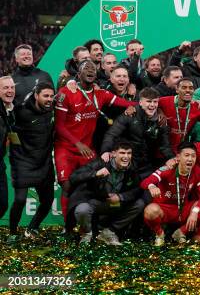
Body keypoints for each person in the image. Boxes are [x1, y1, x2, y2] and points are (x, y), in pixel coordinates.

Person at [54, 60, 136, 220]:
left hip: (87, 149)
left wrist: (155, 107)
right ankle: (68, 226)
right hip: (66, 148)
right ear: (79, 74)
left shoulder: (101, 94)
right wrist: (77, 143)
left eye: (93, 68)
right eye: (86, 68)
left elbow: (128, 103)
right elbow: (59, 126)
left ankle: (88, 223)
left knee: (93, 183)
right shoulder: (66, 93)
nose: (91, 70)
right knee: (67, 185)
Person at [69, 141, 145, 245]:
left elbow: (138, 189)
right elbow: (73, 177)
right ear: (113, 154)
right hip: (97, 203)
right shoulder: (100, 163)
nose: (126, 157)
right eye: (122, 153)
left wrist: (120, 196)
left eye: (129, 153)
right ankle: (87, 233)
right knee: (82, 209)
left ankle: (109, 232)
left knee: (139, 204)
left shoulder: (133, 167)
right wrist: (95, 173)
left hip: (116, 203)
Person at [7, 83, 55, 242]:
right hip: (23, 161)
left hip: (44, 162)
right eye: (45, 96)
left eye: (51, 96)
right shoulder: (21, 112)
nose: (49, 99)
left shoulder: (53, 110)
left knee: (47, 201)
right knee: (20, 200)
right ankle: (13, 233)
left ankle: (32, 228)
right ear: (36, 96)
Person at [141, 141, 200, 246]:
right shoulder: (168, 169)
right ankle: (160, 234)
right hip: (165, 209)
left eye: (193, 156)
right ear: (178, 157)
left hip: (183, 209)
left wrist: (195, 211)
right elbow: (144, 182)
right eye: (186, 155)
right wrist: (151, 186)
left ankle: (181, 232)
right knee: (150, 210)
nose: (190, 159)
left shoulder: (197, 171)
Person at [101, 87, 175, 180]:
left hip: (148, 163)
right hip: (128, 160)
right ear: (140, 102)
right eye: (148, 101)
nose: (152, 105)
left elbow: (165, 145)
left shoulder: (161, 120)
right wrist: (106, 150)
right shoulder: (129, 115)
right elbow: (112, 134)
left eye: (155, 102)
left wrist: (172, 158)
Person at [157, 78, 200, 152]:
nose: (188, 90)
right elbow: (147, 103)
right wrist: (159, 111)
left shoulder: (198, 107)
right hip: (161, 150)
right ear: (177, 90)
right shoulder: (163, 101)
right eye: (184, 87)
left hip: (182, 150)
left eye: (191, 88)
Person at [0, 76, 16, 221]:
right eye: (5, 88)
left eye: (12, 87)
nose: (10, 91)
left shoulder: (9, 110)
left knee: (2, 204)